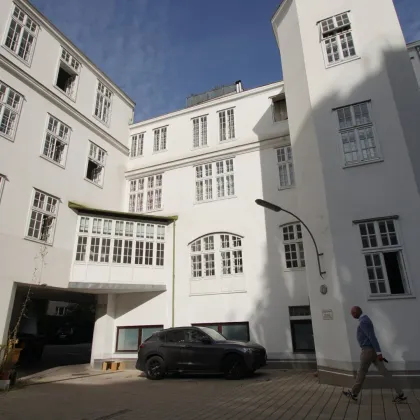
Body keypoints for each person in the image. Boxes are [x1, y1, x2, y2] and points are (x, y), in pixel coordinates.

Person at [342, 306, 407, 403]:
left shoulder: (364, 321)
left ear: (356, 312)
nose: (351, 315)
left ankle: (354, 393)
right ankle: (400, 393)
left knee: (361, 372)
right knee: (385, 372)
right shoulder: (365, 319)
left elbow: (372, 337)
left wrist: (379, 352)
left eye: (352, 313)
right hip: (372, 351)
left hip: (367, 351)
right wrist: (378, 352)